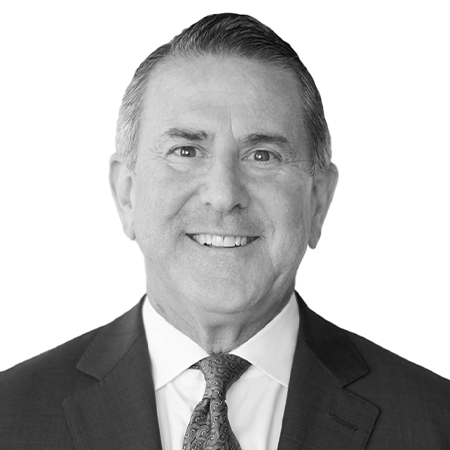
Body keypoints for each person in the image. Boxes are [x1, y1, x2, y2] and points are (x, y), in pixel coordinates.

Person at [1, 12, 449, 450]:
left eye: (263, 156)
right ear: (127, 194)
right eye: (186, 150)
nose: (223, 194)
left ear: (317, 200)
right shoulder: (10, 415)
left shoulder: (435, 422)